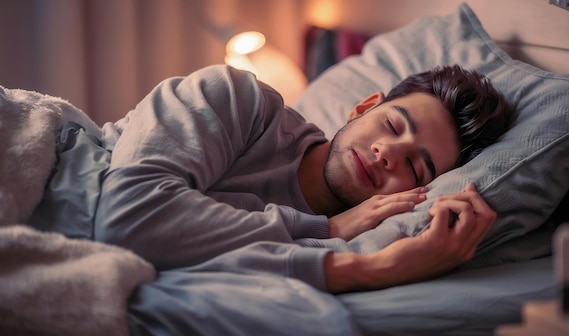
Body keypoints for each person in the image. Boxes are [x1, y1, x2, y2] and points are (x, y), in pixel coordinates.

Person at [87, 63, 512, 294]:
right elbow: (127, 219)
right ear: (363, 108)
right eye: (392, 125)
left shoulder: (359, 235)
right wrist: (327, 231)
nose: (387, 154)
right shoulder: (237, 98)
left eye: (416, 169)